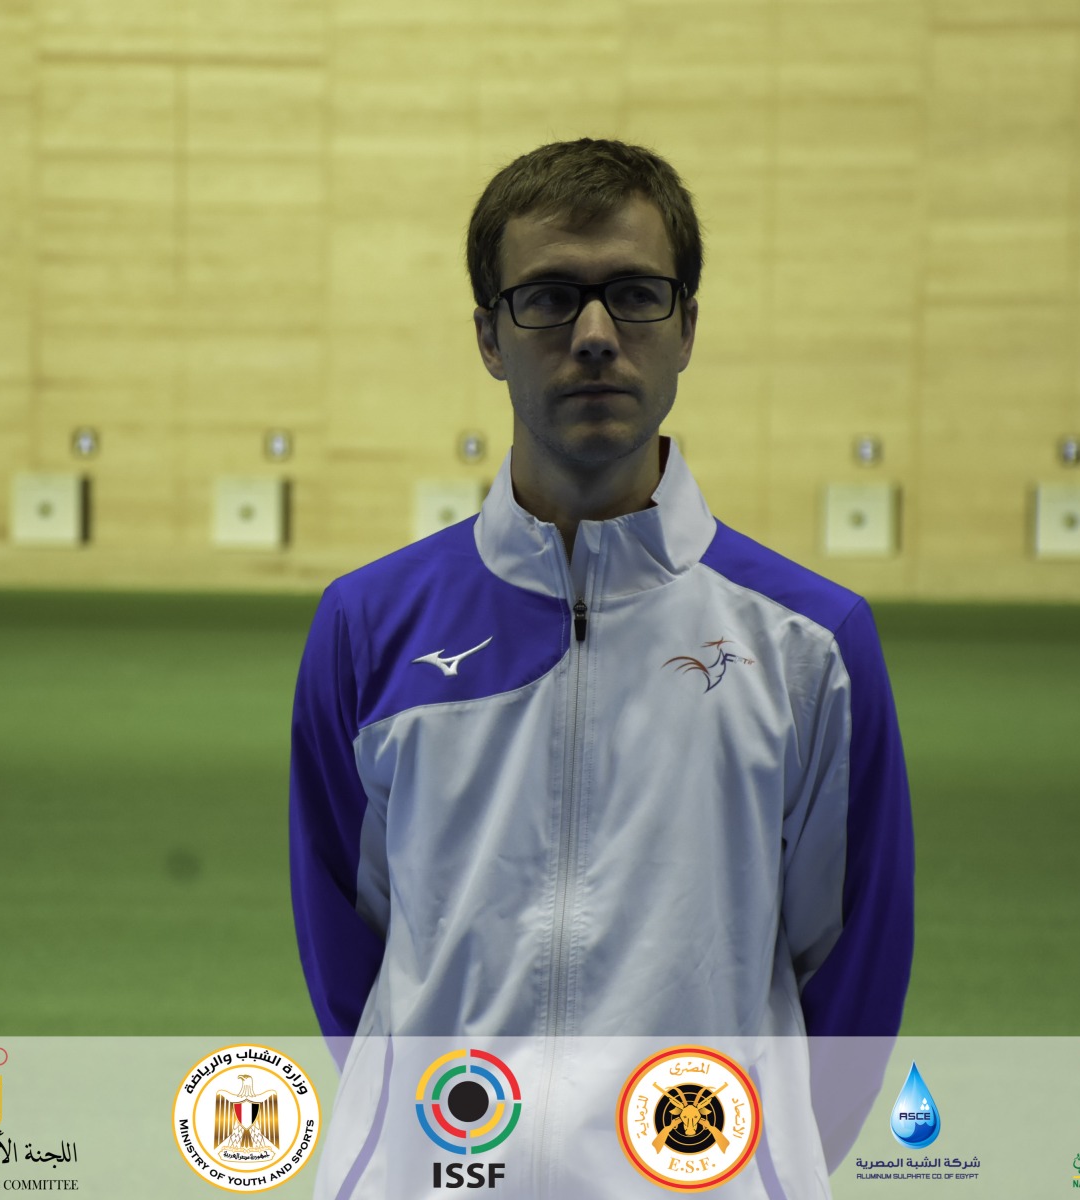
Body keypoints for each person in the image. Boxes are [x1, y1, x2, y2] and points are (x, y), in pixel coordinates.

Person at [288, 138, 914, 1197]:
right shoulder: (367, 626)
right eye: (546, 298)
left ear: (686, 327)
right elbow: (348, 953)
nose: (592, 335)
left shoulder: (811, 644)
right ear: (489, 337)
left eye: (633, 294)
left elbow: (853, 970)